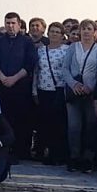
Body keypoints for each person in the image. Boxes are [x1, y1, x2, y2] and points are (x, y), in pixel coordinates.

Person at [0, 12, 38, 161]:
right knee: (4, 119)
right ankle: (5, 150)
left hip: (21, 87)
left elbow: (30, 64)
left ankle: (21, 151)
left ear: (19, 25)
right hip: (2, 87)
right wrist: (3, 78)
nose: (10, 26)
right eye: (7, 23)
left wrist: (14, 78)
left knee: (21, 120)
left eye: (13, 23)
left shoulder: (27, 42)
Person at [62, 19, 97, 172]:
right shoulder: (73, 47)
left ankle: (88, 159)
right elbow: (65, 69)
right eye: (83, 29)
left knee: (91, 126)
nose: (86, 31)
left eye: (89, 29)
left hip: (91, 94)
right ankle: (74, 157)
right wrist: (74, 84)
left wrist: (91, 88)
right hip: (74, 92)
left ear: (95, 32)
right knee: (74, 126)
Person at [33, 21, 68, 165]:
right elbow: (36, 71)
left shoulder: (67, 50)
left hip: (59, 90)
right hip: (43, 90)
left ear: (62, 35)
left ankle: (58, 155)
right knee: (45, 123)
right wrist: (34, 91)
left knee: (58, 124)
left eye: (57, 32)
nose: (54, 34)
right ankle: (46, 153)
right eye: (52, 31)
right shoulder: (41, 50)